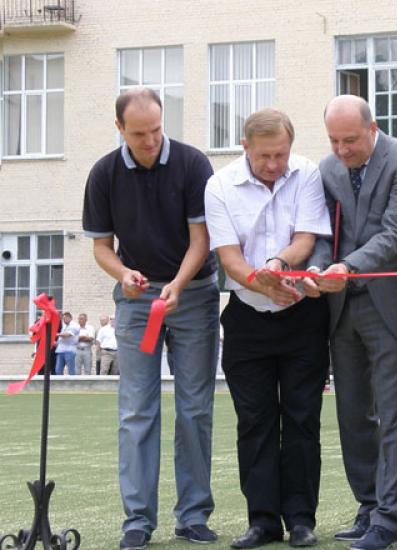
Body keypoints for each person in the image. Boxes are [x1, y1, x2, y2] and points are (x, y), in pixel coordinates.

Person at [82, 87, 220, 550]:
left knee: (195, 408)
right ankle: (138, 521)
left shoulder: (192, 164)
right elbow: (101, 246)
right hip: (138, 305)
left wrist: (177, 285)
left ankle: (193, 514)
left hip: (193, 296)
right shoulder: (103, 174)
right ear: (119, 128)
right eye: (139, 133)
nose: (150, 141)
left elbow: (201, 240)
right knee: (138, 411)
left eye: (157, 130)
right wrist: (124, 274)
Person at [302, 94, 397, 550]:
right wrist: (318, 267)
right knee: (353, 414)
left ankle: (389, 519)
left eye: (350, 140)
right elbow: (321, 232)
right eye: (334, 140)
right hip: (339, 306)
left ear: (373, 130)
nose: (341, 150)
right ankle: (368, 504)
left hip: (388, 306)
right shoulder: (328, 168)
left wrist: (347, 266)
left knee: (393, 415)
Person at [205, 107, 331, 549]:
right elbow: (229, 258)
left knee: (302, 419)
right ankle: (261, 520)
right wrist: (259, 279)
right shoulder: (219, 186)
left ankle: (301, 519)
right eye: (265, 157)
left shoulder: (308, 173)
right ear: (245, 148)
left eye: (281, 154)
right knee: (254, 422)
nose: (275, 165)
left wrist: (279, 264)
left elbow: (305, 238)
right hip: (246, 320)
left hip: (302, 318)